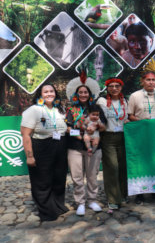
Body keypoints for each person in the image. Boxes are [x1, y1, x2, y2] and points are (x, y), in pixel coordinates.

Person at [20, 84, 69, 221]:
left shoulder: (60, 109)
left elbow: (65, 129)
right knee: (42, 180)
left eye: (51, 91)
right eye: (46, 91)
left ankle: (58, 205)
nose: (49, 94)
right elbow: (25, 134)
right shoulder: (34, 110)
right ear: (40, 94)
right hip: (42, 147)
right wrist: (30, 156)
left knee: (59, 178)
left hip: (60, 146)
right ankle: (47, 211)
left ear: (55, 93)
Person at [65, 67, 105, 216]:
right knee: (76, 176)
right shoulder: (71, 110)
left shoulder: (96, 108)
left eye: (85, 92)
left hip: (94, 146)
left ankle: (92, 200)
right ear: (76, 94)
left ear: (90, 94)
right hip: (75, 147)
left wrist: (97, 126)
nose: (83, 94)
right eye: (80, 92)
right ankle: (80, 202)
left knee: (92, 175)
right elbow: (68, 129)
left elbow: (104, 127)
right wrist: (81, 136)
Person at [127, 71, 155, 204]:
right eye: (148, 80)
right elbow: (130, 115)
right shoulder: (135, 96)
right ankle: (140, 192)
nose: (151, 82)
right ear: (142, 81)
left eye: (153, 80)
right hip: (140, 135)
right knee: (141, 162)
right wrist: (143, 123)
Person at [97, 77, 130, 209]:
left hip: (123, 137)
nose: (114, 88)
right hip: (108, 137)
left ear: (121, 87)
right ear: (107, 88)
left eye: (117, 86)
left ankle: (122, 195)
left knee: (123, 167)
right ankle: (112, 199)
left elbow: (127, 117)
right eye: (111, 86)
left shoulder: (125, 101)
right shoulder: (102, 101)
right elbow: (97, 116)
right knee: (112, 168)